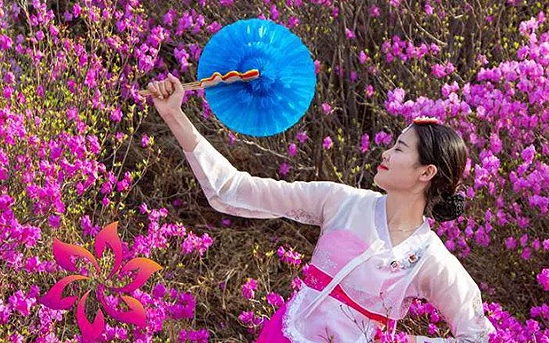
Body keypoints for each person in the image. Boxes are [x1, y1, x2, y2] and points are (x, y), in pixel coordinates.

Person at [145, 73, 496, 343]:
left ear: (426, 172)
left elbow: (477, 336)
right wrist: (174, 115)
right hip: (285, 335)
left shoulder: (430, 258)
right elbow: (233, 189)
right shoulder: (340, 201)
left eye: (400, 149)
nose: (386, 153)